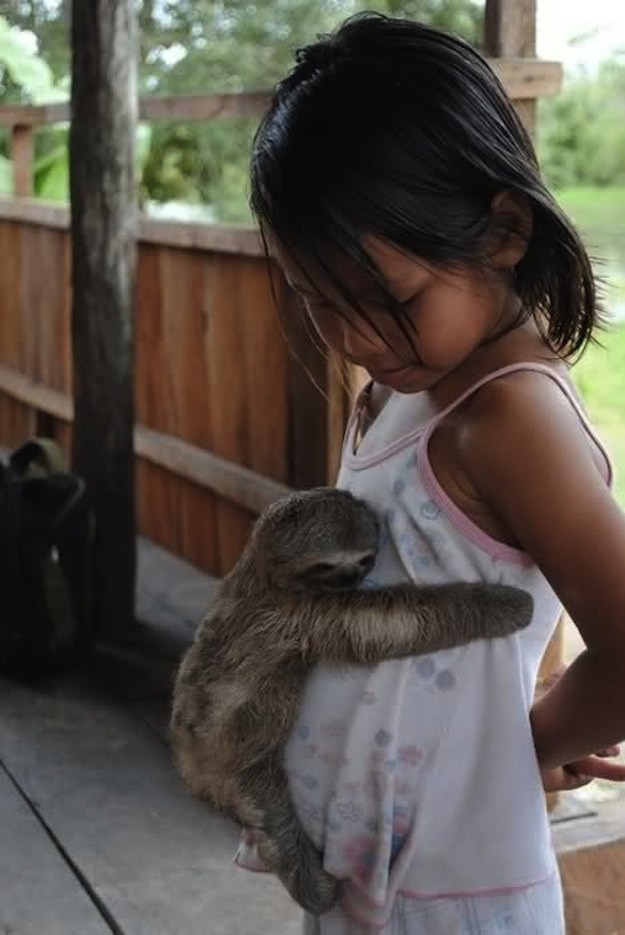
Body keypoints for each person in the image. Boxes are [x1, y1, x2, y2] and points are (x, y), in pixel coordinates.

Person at [238, 12, 625, 933]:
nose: (356, 338)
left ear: (502, 230)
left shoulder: (507, 418)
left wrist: (531, 741)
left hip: (460, 894)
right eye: (319, 302)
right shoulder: (400, 387)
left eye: (390, 300)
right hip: (373, 873)